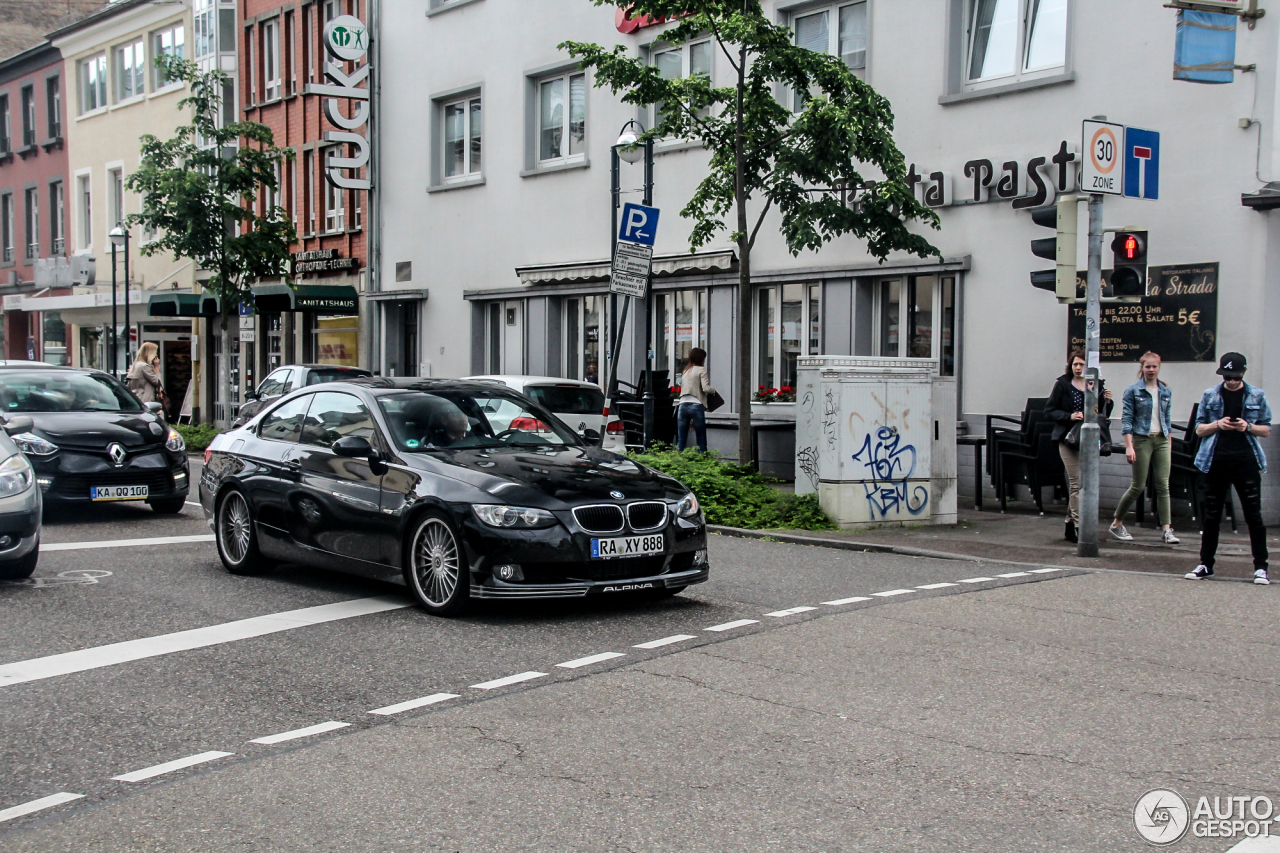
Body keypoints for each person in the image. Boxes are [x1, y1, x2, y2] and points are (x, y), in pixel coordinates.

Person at [1185, 352, 1272, 584]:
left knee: (1254, 515)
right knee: (1212, 516)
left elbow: (1266, 429)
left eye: (1234, 377)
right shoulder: (1210, 395)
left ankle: (1261, 567)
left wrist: (1248, 426)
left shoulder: (1256, 395)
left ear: (1242, 373)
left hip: (1246, 460)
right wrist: (1217, 424)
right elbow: (1199, 429)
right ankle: (1206, 564)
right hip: (1216, 460)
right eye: (1227, 376)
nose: (1231, 381)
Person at [1045, 348, 1114, 543]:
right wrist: (1069, 416)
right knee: (1076, 482)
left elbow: (1100, 413)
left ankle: (1069, 524)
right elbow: (1049, 410)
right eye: (1075, 364)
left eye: (1081, 365)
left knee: (1082, 482)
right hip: (1067, 438)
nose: (1077, 368)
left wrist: (1107, 400)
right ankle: (1078, 526)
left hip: (1088, 438)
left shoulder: (1095, 384)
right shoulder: (1063, 384)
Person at [1109, 352, 1178, 544]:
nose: (1151, 370)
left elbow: (1167, 418)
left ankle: (1167, 529)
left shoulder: (1165, 390)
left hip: (1162, 439)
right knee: (1138, 485)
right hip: (1141, 439)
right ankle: (1116, 523)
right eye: (1148, 366)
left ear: (1159, 367)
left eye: (1155, 366)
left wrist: (1169, 442)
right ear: (1142, 368)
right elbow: (1127, 420)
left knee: (1163, 484)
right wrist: (1129, 446)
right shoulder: (1133, 391)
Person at [675, 347, 716, 452]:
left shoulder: (686, 370)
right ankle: (702, 462)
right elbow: (705, 388)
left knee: (681, 440)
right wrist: (714, 390)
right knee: (701, 439)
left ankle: (676, 462)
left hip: (682, 405)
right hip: (696, 405)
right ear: (701, 359)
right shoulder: (701, 370)